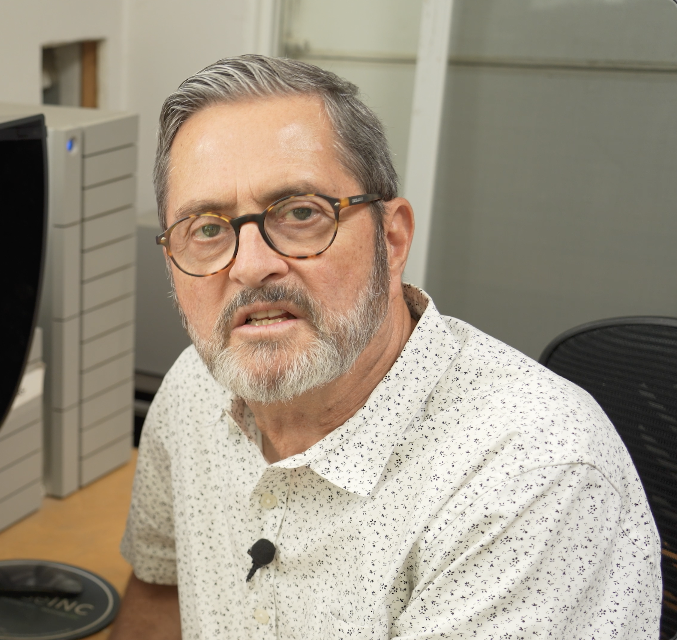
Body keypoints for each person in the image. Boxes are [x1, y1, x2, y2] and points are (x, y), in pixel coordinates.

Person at [112, 55, 661, 639]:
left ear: (391, 239)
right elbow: (159, 588)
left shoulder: (531, 479)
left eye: (301, 213)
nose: (250, 266)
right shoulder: (194, 387)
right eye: (207, 228)